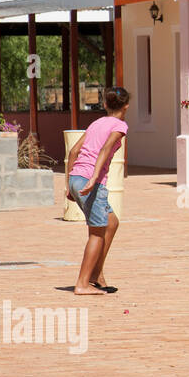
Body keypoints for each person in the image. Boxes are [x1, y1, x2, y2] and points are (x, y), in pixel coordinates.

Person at [65, 87, 130, 296]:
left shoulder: (95, 124)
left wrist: (69, 186)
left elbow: (74, 151)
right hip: (90, 180)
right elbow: (105, 149)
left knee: (111, 222)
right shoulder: (120, 125)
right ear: (126, 107)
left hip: (76, 177)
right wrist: (94, 179)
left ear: (105, 105)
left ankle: (96, 275)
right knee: (97, 233)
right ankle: (83, 283)